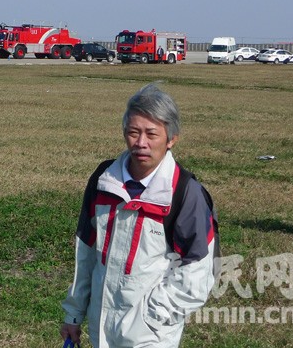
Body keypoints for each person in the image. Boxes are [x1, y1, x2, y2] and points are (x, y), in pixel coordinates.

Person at [60, 83, 217, 348]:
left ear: (171, 138)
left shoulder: (184, 193)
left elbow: (198, 273)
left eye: (151, 134)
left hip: (151, 335)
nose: (141, 143)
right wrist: (74, 314)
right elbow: (86, 253)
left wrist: (150, 317)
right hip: (101, 329)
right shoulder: (104, 181)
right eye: (133, 133)